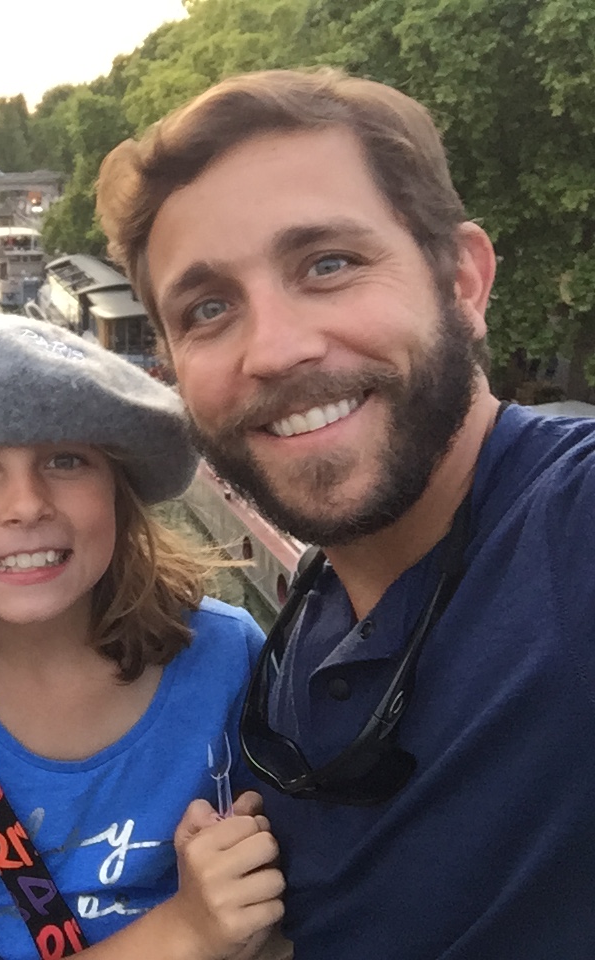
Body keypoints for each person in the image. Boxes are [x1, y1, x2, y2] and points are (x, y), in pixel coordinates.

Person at [95, 68, 595, 957]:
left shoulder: (571, 521)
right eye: (209, 309)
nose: (276, 349)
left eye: (329, 263)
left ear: (464, 282)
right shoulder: (292, 657)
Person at [0, 318, 288, 960]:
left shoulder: (229, 656)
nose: (26, 504)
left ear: (117, 487)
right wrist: (187, 928)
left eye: (65, 461)